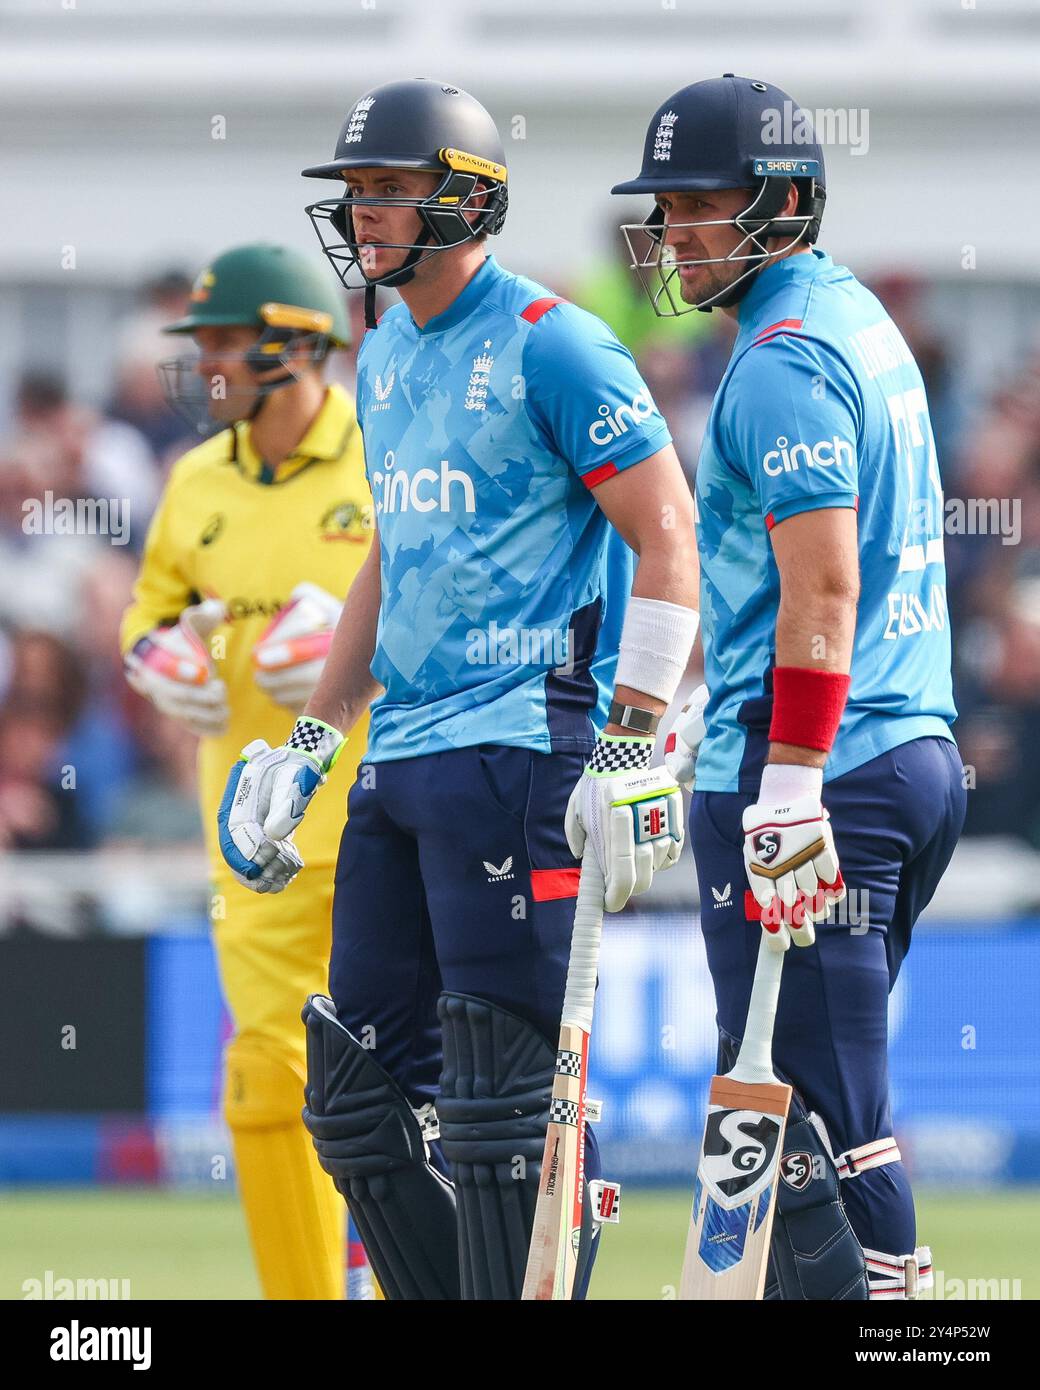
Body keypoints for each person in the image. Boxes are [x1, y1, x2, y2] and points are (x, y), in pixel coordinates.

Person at [218, 78, 700, 1299]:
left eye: (389, 190)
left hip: (523, 745)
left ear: (466, 197)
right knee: (356, 1094)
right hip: (406, 756)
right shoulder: (382, 352)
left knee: (504, 1100)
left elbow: (666, 531)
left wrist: (633, 736)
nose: (365, 215)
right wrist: (311, 738)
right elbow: (394, 552)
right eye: (357, 194)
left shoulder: (554, 339)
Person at [614, 75, 966, 1300]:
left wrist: (788, 781)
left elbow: (822, 592)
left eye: (702, 205)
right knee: (802, 1098)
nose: (674, 235)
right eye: (665, 208)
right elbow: (787, 592)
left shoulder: (779, 361)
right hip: (900, 749)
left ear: (787, 202)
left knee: (814, 1116)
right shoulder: (853, 315)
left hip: (833, 767)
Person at [119, 243, 374, 1299]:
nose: (207, 363)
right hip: (254, 834)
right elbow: (151, 611)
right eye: (204, 343)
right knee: (264, 1085)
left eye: (227, 341)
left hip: (384, 818)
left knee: (403, 1083)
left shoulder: (385, 452)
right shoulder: (193, 479)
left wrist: (358, 643)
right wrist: (155, 656)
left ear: (301, 344)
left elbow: (467, 617)